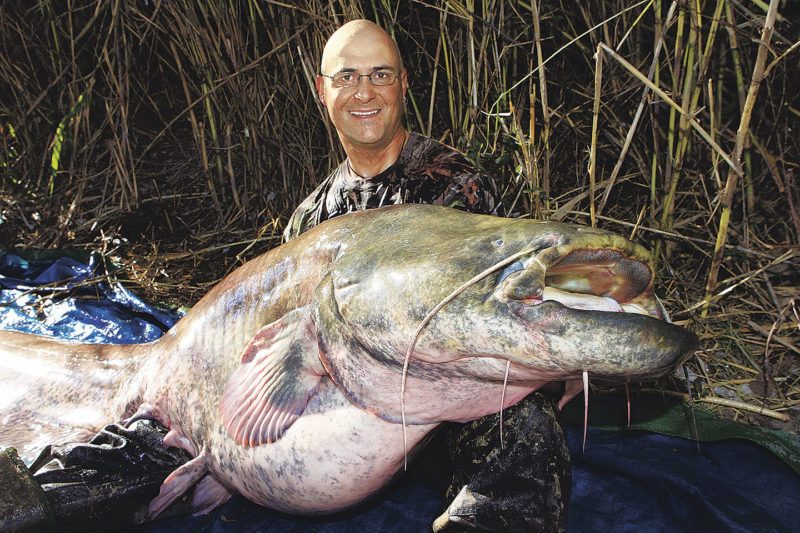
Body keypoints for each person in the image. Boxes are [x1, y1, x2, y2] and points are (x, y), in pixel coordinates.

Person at [284, 20, 570, 533]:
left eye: (380, 74)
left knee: (524, 421)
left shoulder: (457, 187)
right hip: (345, 419)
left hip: (443, 411)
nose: (364, 92)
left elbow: (507, 311)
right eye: (347, 77)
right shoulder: (308, 221)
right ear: (322, 90)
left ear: (402, 84)